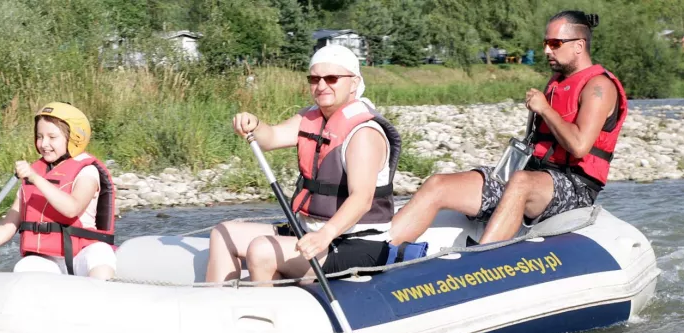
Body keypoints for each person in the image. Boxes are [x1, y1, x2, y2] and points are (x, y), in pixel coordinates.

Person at [389, 11, 627, 246]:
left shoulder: (599, 86)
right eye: (546, 43)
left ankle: (478, 265)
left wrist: (545, 109)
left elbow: (579, 146)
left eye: (555, 43)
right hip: (533, 175)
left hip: (576, 186)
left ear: (579, 45)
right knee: (438, 184)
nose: (546, 50)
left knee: (521, 182)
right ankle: (381, 251)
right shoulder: (558, 82)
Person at [205, 45, 402, 284]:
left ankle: (264, 316)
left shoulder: (364, 133)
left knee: (261, 250)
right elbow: (272, 138)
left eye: (332, 78)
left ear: (354, 82)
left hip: (357, 243)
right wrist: (255, 124)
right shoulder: (311, 118)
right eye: (314, 78)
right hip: (311, 231)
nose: (321, 86)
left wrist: (324, 235)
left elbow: (361, 199)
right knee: (223, 233)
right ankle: (218, 305)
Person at [0, 102, 117, 279]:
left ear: (74, 138)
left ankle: (102, 294)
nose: (43, 144)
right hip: (49, 261)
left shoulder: (87, 171)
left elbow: (72, 208)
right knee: (26, 265)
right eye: (39, 136)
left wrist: (35, 178)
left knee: (100, 252)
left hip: (83, 256)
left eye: (52, 137)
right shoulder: (35, 174)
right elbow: (7, 227)